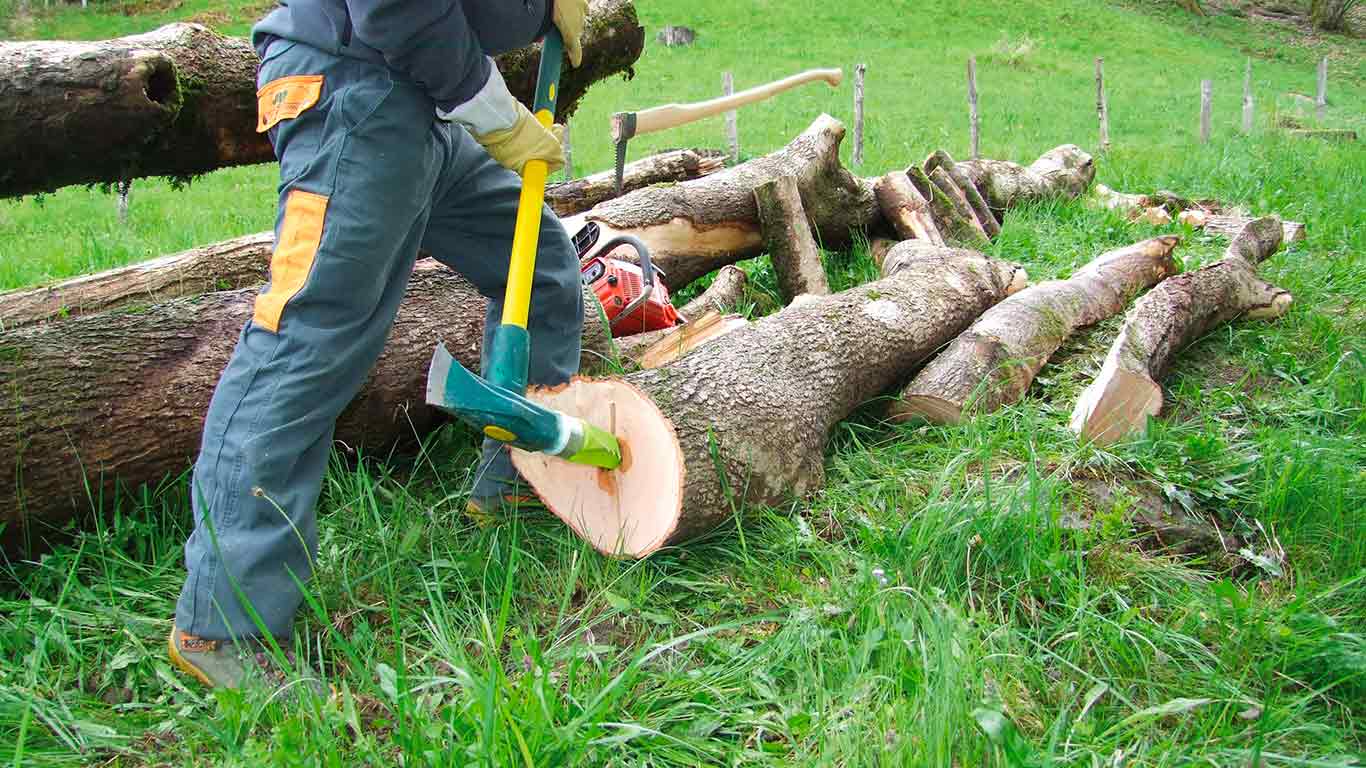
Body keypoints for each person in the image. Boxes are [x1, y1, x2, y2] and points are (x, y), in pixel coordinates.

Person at [167, 0, 588, 696]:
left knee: (538, 259)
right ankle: (223, 623)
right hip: (353, 93)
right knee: (306, 340)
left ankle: (517, 484)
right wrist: (489, 107)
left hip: (415, 101)